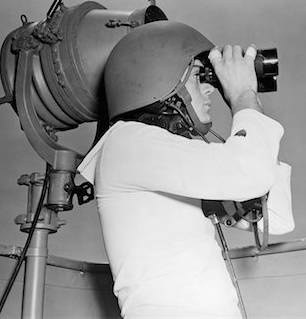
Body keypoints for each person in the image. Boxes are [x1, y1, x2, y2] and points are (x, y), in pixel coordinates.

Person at [78, 21, 294, 318]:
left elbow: (275, 219)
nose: (209, 89)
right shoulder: (127, 144)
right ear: (159, 82)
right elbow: (250, 174)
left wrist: (251, 107)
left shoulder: (173, 159)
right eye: (197, 76)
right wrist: (244, 96)